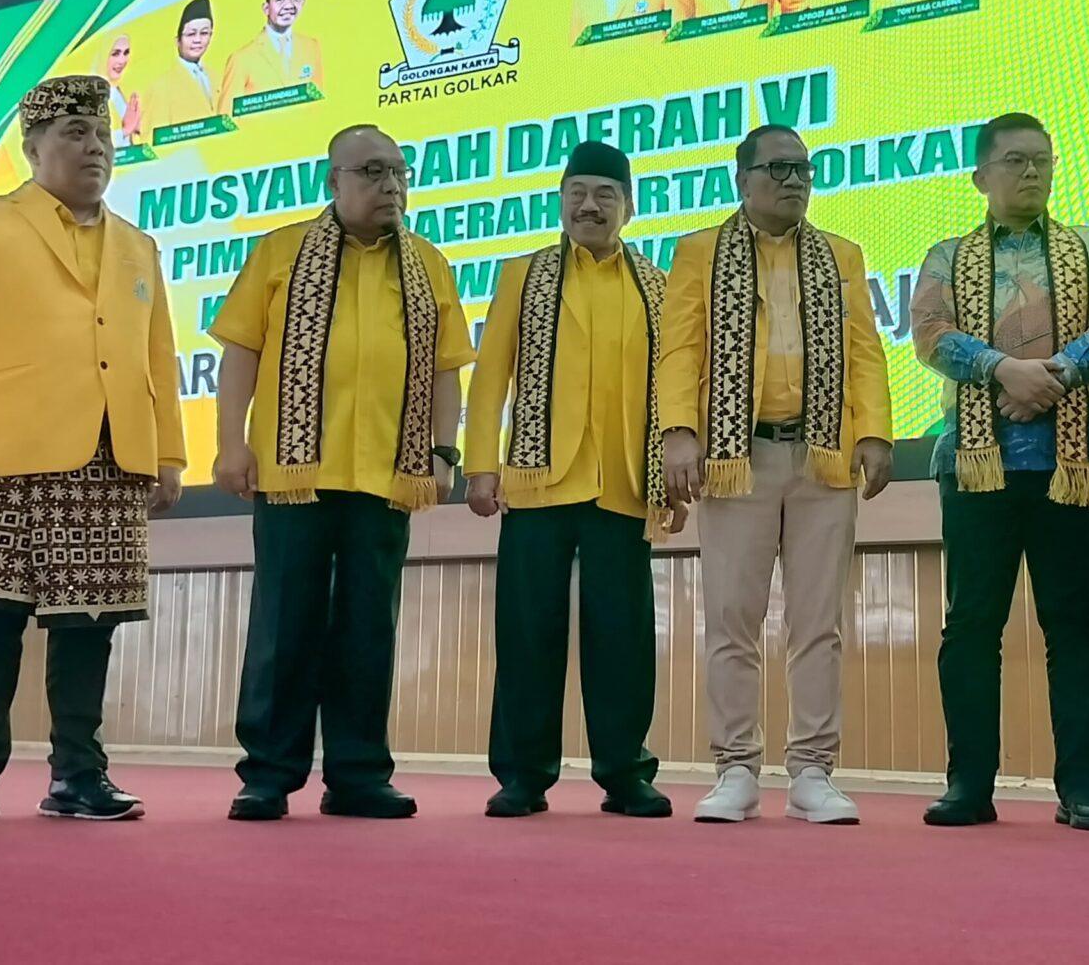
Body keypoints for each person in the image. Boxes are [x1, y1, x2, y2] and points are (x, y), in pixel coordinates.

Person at [0, 75, 187, 826]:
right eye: (74, 133)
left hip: (108, 457)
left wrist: (168, 452)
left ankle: (78, 775)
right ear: (32, 148)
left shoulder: (138, 245)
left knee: (90, 622)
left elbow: (158, 358)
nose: (95, 147)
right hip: (3, 456)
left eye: (103, 135)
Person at [211, 124, 474, 821]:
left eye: (399, 172)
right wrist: (230, 444)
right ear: (334, 181)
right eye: (373, 171)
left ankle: (358, 774)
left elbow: (447, 369)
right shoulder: (281, 252)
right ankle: (268, 774)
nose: (391, 185)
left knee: (367, 630)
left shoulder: (427, 263)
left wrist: (444, 452)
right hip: (292, 471)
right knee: (284, 625)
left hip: (387, 474)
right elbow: (240, 352)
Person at [659, 123, 890, 824]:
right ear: (743, 180)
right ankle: (735, 768)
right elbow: (680, 349)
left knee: (819, 622)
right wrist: (679, 431)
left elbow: (865, 350)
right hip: (738, 458)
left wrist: (875, 431)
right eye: (778, 170)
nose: (794, 182)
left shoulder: (841, 255)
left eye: (802, 170)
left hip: (823, 455)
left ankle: (813, 771)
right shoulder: (699, 252)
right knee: (732, 618)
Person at [907, 113, 1089, 832]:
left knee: (1075, 620)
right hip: (977, 463)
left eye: (1041, 161)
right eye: (1014, 161)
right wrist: (1004, 368)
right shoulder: (947, 255)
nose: (1031, 173)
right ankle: (969, 785)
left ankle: (1082, 789)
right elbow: (930, 334)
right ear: (980, 176)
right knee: (972, 623)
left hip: (1075, 459)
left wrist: (1052, 374)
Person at [465, 141, 677, 821]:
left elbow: (675, 385)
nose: (590, 205)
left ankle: (625, 772)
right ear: (560, 201)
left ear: (628, 207)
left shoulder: (657, 285)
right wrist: (480, 464)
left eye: (605, 194)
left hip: (623, 483)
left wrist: (672, 476)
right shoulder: (522, 275)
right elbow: (490, 376)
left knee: (623, 638)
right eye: (577, 192)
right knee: (528, 634)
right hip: (537, 482)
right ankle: (523, 776)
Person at [219, 0, 325, 109]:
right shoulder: (241, 59)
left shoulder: (311, 47)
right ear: (266, 8)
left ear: (304, 2)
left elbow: (318, 104)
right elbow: (227, 115)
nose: (289, 5)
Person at [142, 0, 219, 131]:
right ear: (178, 41)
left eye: (204, 33)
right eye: (191, 34)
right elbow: (154, 136)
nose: (197, 40)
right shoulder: (162, 87)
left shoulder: (218, 78)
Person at [97, 34, 142, 148]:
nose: (122, 60)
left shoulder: (120, 91)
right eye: (115, 54)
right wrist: (125, 130)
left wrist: (138, 129)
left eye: (126, 53)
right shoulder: (90, 95)